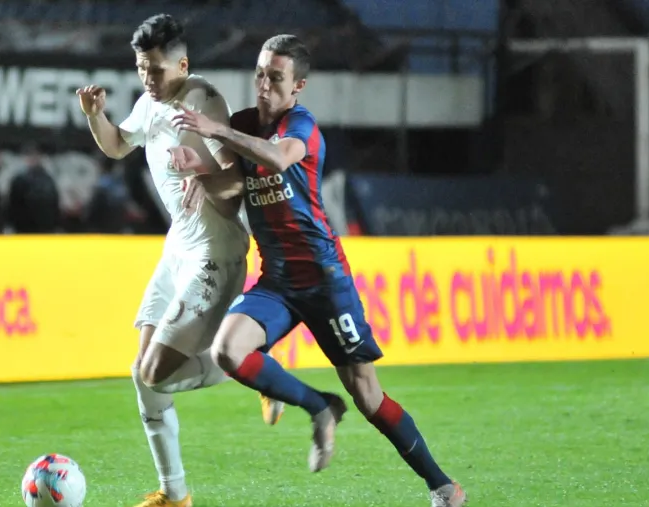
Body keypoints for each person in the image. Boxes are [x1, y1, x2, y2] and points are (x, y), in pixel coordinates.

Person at [169, 34, 468, 507]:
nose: (263, 85)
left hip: (325, 279)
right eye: (260, 74)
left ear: (298, 87)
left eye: (275, 78)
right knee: (228, 350)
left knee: (368, 395)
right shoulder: (245, 124)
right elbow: (233, 188)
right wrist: (199, 173)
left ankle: (443, 486)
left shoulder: (302, 126)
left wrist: (217, 132)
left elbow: (278, 156)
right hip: (278, 281)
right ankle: (318, 405)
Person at [75, 14, 284, 507]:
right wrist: (94, 114)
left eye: (157, 69)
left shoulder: (203, 102)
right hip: (178, 250)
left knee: (155, 372)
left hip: (216, 250)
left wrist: (202, 170)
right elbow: (116, 145)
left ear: (183, 64)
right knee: (142, 374)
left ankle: (251, 359)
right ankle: (176, 495)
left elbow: (237, 186)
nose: (148, 78)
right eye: (142, 68)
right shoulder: (150, 103)